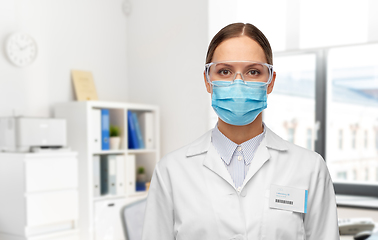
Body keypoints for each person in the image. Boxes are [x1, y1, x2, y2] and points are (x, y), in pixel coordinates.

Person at [142, 23, 339, 240]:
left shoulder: (310, 169)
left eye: (253, 72)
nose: (238, 83)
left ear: (270, 82)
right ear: (208, 81)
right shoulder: (171, 171)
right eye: (224, 71)